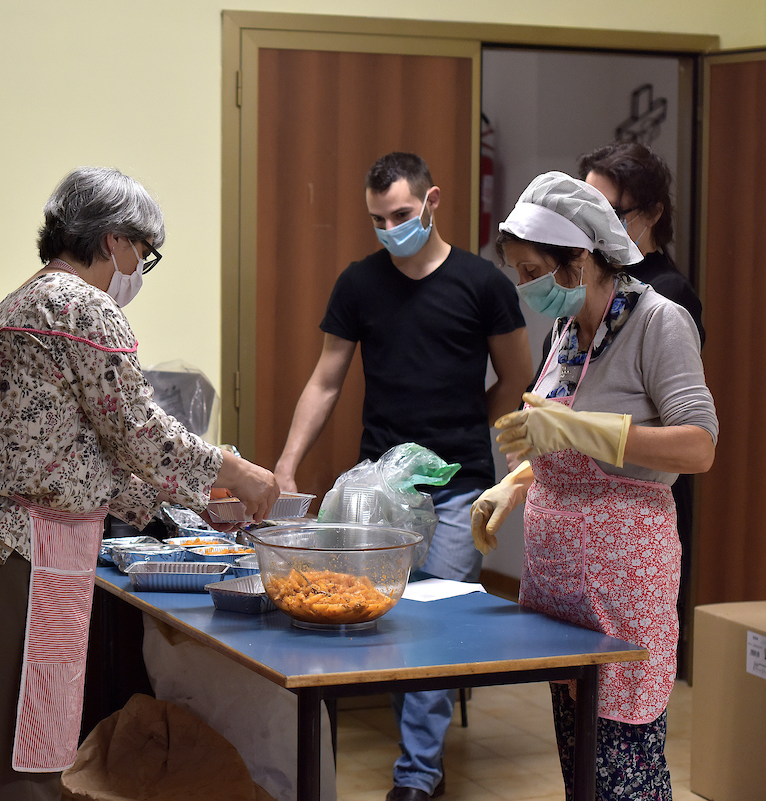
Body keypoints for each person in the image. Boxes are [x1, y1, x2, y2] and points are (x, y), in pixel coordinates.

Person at [0, 166, 280, 801]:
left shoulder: (24, 300)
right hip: (9, 550)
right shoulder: (84, 305)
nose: (140, 266)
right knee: (23, 765)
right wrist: (240, 473)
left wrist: (177, 509)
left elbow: (72, 452)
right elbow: (138, 431)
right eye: (144, 251)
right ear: (114, 240)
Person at [273, 151, 533, 801]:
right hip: (381, 486)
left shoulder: (482, 284)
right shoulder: (359, 284)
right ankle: (409, 755)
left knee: (435, 620)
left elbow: (517, 375)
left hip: (458, 482)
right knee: (386, 617)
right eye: (378, 219)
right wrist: (286, 460)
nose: (391, 228)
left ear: (433, 200)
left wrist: (472, 429)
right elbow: (326, 377)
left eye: (402, 214)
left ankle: (417, 775)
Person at [472, 171, 717, 800]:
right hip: (564, 584)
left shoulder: (658, 322)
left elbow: (699, 446)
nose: (524, 288)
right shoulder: (568, 329)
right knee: (580, 763)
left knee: (622, 768)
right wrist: (518, 484)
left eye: (532, 271)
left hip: (624, 581)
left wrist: (594, 432)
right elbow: (562, 435)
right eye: (518, 272)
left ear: (579, 259)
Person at [578, 142, 705, 670]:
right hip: (579, 543)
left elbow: (693, 438)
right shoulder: (580, 297)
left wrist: (585, 431)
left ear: (651, 215)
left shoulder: (664, 302)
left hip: (633, 518)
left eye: (608, 213)